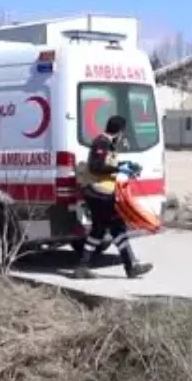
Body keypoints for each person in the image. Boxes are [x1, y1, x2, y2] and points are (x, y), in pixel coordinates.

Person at [72, 115, 153, 279]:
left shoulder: (108, 143)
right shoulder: (101, 143)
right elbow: (97, 166)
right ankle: (130, 267)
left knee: (99, 230)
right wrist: (119, 169)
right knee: (116, 227)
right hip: (98, 193)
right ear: (120, 131)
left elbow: (106, 164)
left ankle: (83, 267)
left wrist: (123, 165)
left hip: (103, 192)